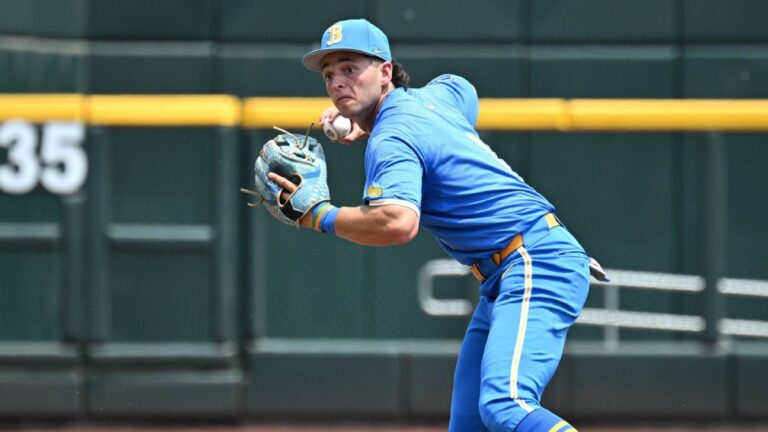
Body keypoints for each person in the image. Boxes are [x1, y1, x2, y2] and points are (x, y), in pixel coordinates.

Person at [267, 18, 598, 432]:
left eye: (350, 68)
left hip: (534, 261)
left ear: (385, 71)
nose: (337, 82)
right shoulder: (435, 98)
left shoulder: (392, 137)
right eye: (329, 74)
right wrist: (365, 122)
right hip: (510, 271)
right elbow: (462, 87)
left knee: (506, 404)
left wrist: (320, 215)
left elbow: (398, 223)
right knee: (470, 424)